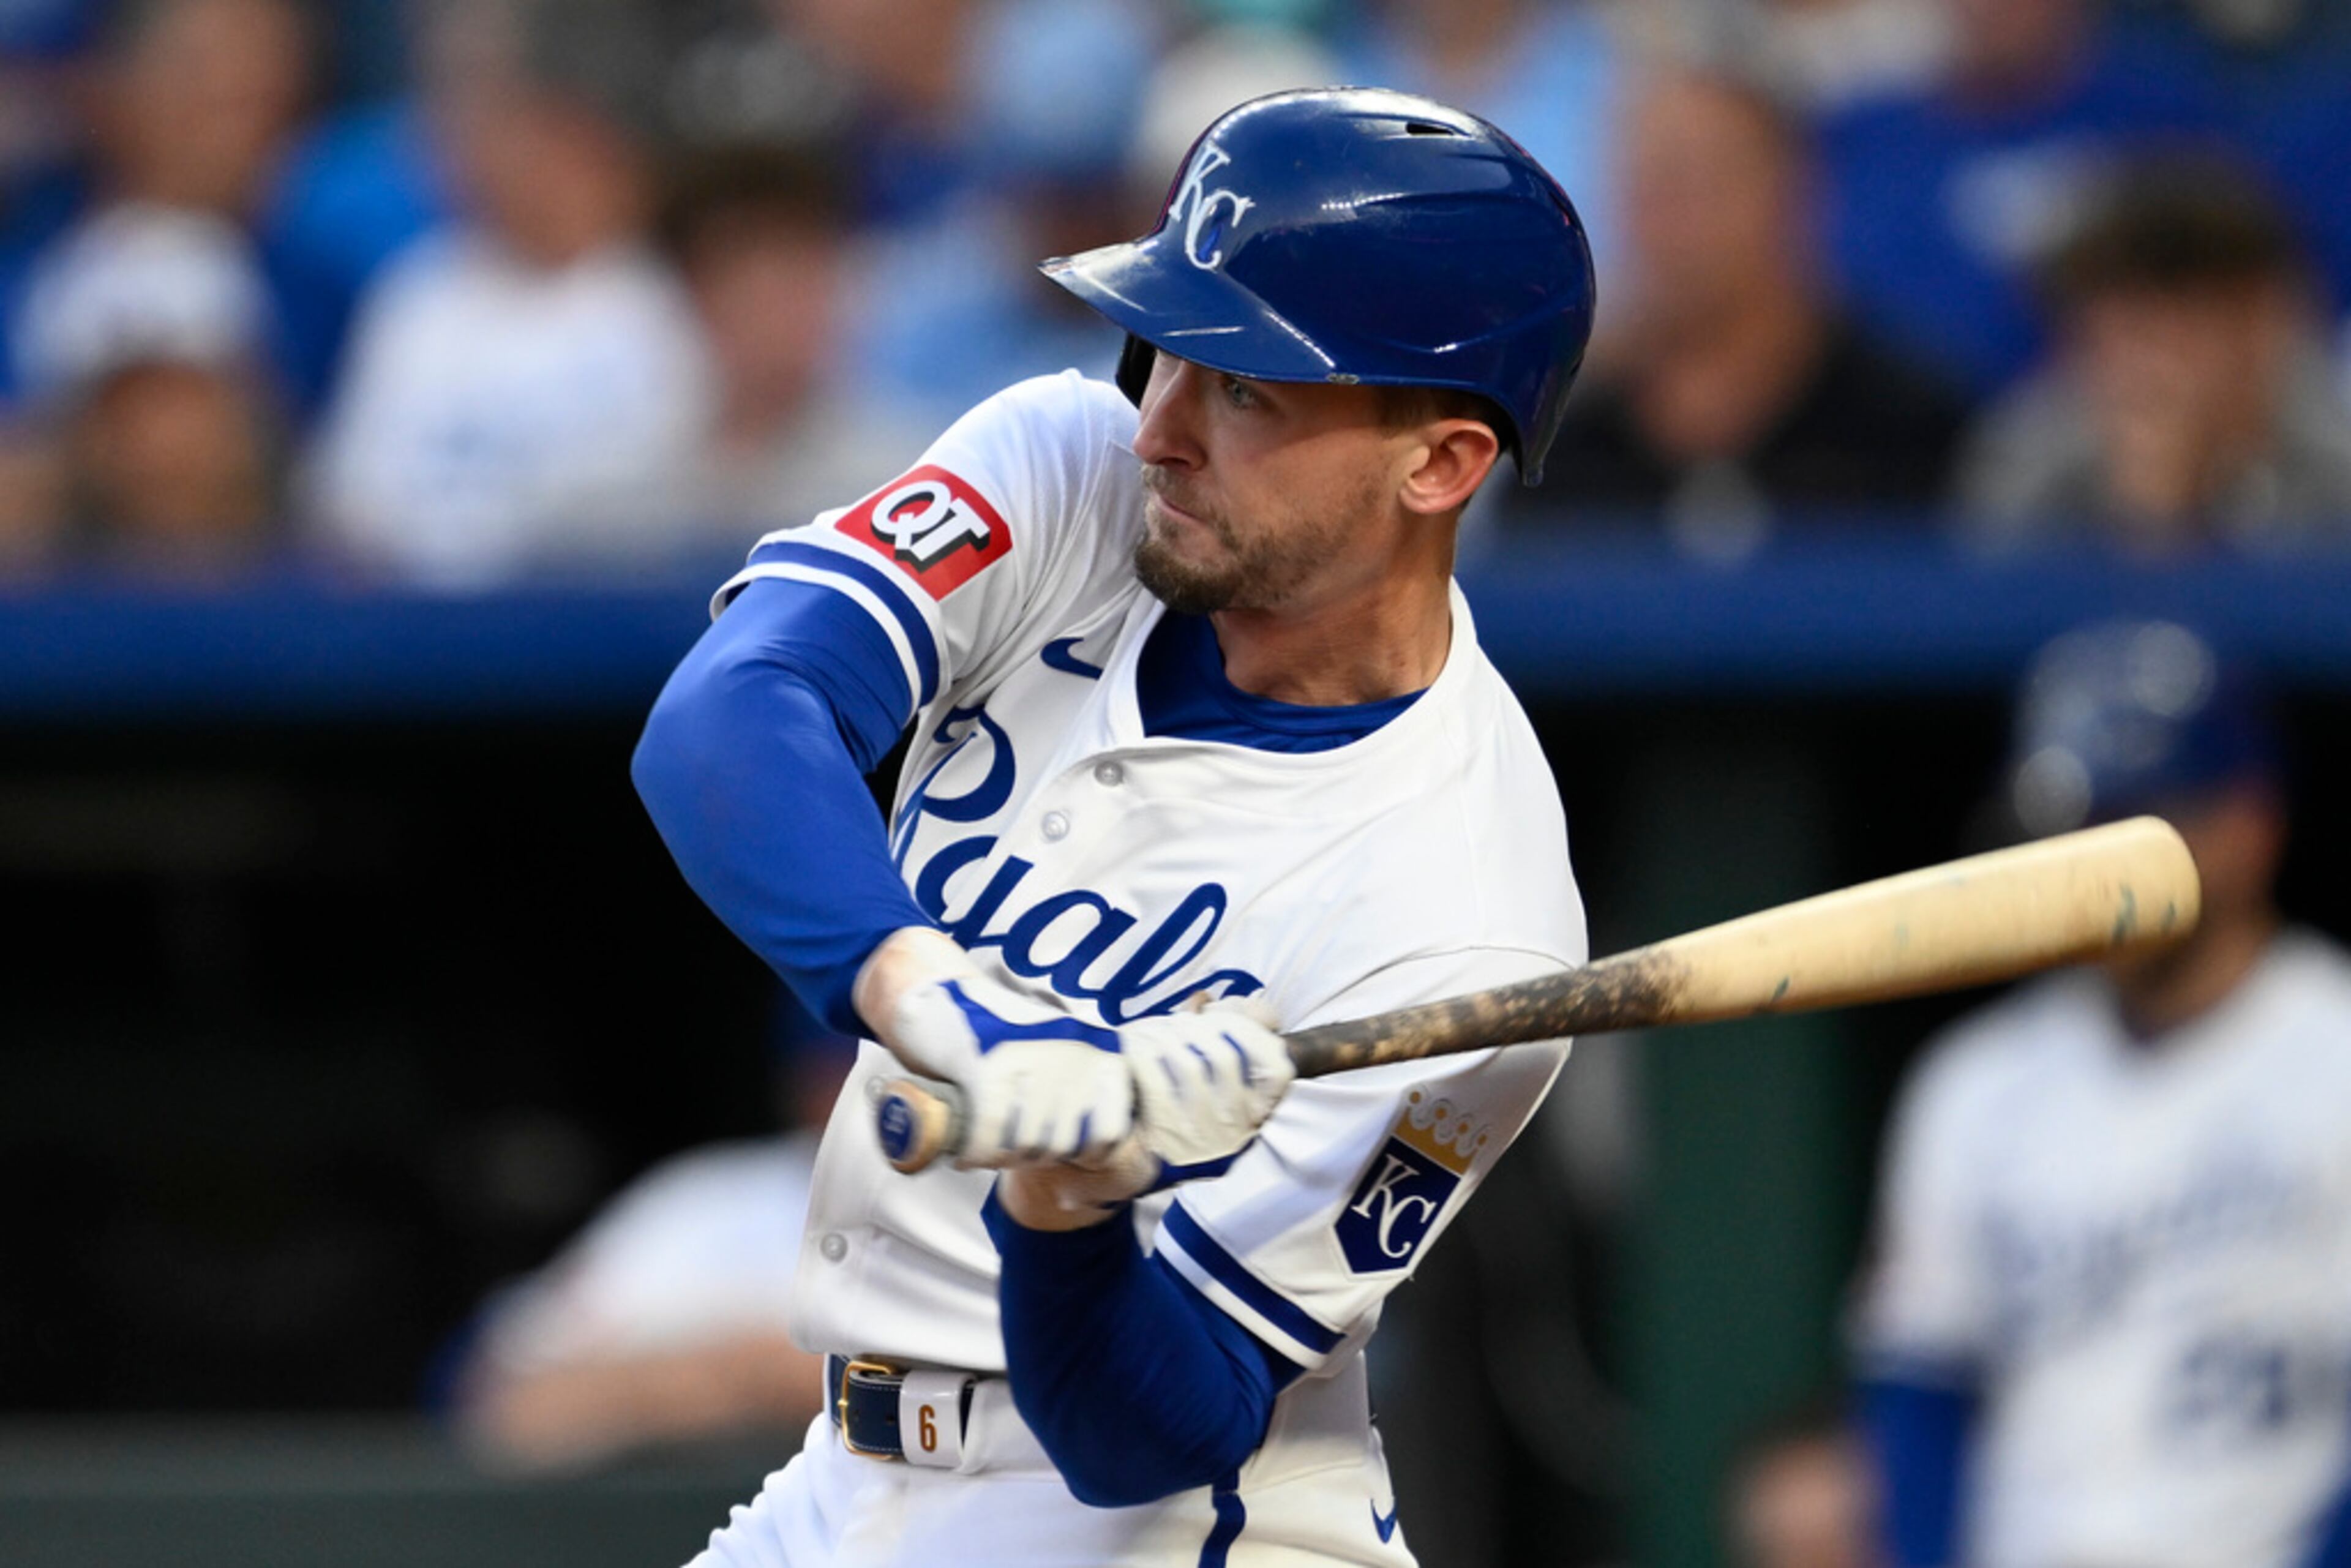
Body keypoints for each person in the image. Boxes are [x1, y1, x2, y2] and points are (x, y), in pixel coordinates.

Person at [631, 87, 1596, 1567]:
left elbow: (1150, 1427)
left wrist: (1076, 1202)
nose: (1158, 429)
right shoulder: (1070, 471)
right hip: (849, 1470)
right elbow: (724, 714)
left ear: (1439, 463)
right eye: (1163, 353)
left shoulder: (1472, 915)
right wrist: (929, 994)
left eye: (1246, 389)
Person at [1853, 619, 2351, 1568]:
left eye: (2134, 822)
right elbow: (1919, 1392)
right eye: (2080, 829)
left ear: (2251, 825)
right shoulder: (1975, 1086)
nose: (2097, 862)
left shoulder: (2336, 1050)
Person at [1502, 65, 1968, 557]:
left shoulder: (1914, 432)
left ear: (1797, 193)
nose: (1672, 222)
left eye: (1700, 183)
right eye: (1649, 187)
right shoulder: (1562, 459)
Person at [1958, 158, 2351, 555]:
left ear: (2262, 325)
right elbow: (1997, 601)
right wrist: (2148, 517)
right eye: (2129, 331)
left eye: (2185, 331)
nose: (2154, 366)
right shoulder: (2032, 455)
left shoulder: (2337, 459)